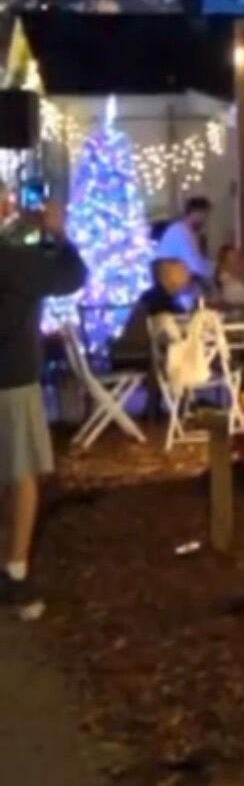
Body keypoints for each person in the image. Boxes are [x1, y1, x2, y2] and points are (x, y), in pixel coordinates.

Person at [0, 196, 87, 617]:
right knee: (22, 475)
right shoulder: (13, 261)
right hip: (12, 378)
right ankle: (15, 573)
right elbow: (71, 275)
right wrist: (57, 232)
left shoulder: (13, 253)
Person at [110, 258, 192, 368]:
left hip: (131, 353)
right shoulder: (162, 303)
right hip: (144, 357)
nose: (187, 276)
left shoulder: (151, 297)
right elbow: (179, 330)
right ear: (171, 276)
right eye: (182, 272)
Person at [154, 195, 213, 298]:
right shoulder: (180, 232)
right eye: (204, 215)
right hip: (177, 291)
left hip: (182, 288)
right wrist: (212, 270)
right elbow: (194, 265)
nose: (205, 220)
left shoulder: (187, 232)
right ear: (196, 212)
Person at [213, 243, 244, 309]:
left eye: (238, 258)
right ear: (223, 264)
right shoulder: (234, 287)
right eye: (233, 260)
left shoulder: (237, 281)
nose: (238, 263)